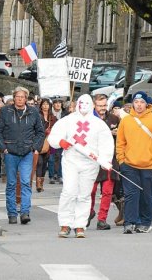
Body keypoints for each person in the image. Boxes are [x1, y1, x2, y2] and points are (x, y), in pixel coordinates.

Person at [48, 94, 114, 238]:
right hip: (71, 161)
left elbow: (106, 143)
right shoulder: (67, 121)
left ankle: (80, 225)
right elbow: (53, 137)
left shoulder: (99, 124)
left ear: (91, 105)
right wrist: (60, 142)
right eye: (81, 103)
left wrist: (105, 160)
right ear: (77, 104)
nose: (84, 106)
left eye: (87, 104)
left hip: (90, 164)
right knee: (69, 192)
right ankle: (65, 224)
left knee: (84, 195)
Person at [116, 91, 152, 234]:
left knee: (147, 195)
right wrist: (121, 160)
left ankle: (145, 222)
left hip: (149, 164)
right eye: (136, 102)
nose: (139, 105)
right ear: (133, 103)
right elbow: (120, 142)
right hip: (129, 164)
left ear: (147, 104)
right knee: (130, 195)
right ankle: (130, 222)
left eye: (142, 102)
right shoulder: (126, 120)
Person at [0, 86, 45, 225]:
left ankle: (24, 212)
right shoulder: (5, 111)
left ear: (26, 99)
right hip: (10, 152)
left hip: (27, 152)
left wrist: (35, 147)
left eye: (23, 97)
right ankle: (11, 213)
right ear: (14, 97)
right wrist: (3, 148)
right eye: (18, 96)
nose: (20, 99)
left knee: (25, 183)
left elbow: (40, 132)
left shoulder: (33, 112)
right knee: (10, 184)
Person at [88, 94, 120, 230]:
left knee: (107, 191)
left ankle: (102, 219)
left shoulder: (114, 119)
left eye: (105, 105)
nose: (103, 108)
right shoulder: (88, 119)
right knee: (91, 190)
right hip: (92, 160)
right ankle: (89, 212)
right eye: (100, 106)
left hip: (109, 159)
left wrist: (117, 134)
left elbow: (122, 138)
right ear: (94, 105)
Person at [36, 98, 56, 192]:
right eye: (43, 104)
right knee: (39, 162)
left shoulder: (52, 117)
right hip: (39, 141)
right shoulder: (37, 115)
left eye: (47, 104)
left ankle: (42, 182)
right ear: (41, 106)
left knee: (45, 163)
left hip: (49, 142)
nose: (45, 106)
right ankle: (38, 184)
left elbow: (57, 128)